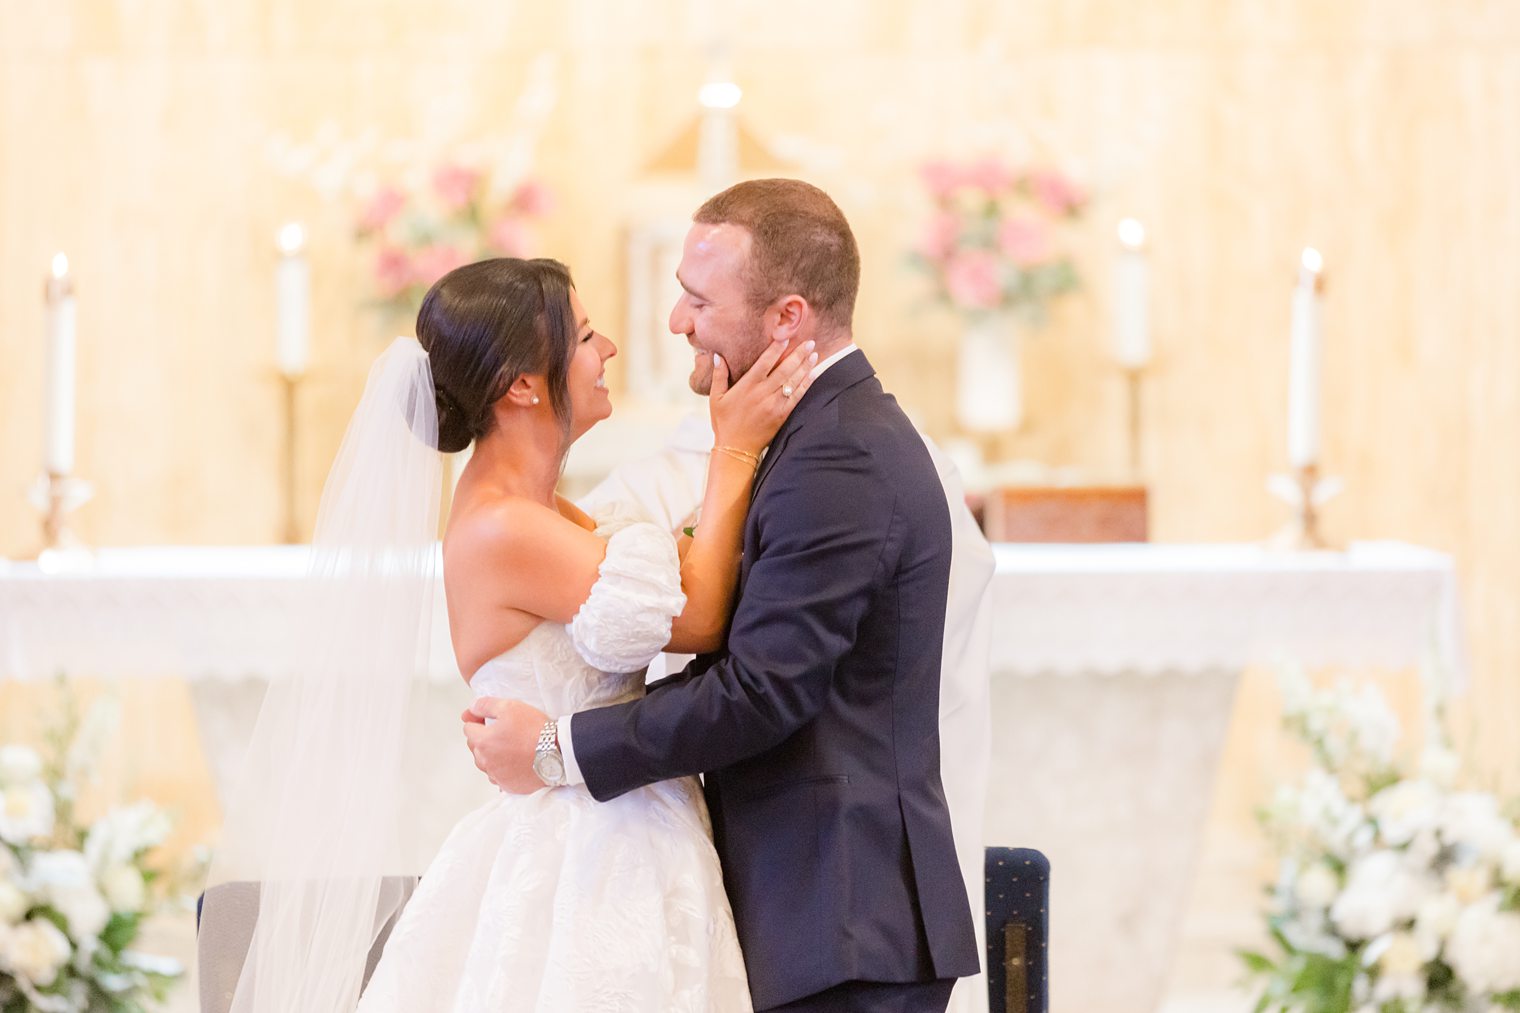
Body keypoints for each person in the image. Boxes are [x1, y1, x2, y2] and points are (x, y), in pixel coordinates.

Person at [465, 180, 981, 1012]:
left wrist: (557, 747)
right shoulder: (810, 435)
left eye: (697, 299)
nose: (676, 321)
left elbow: (762, 690)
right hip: (811, 909)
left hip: (842, 916)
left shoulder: (840, 456)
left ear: (786, 318)